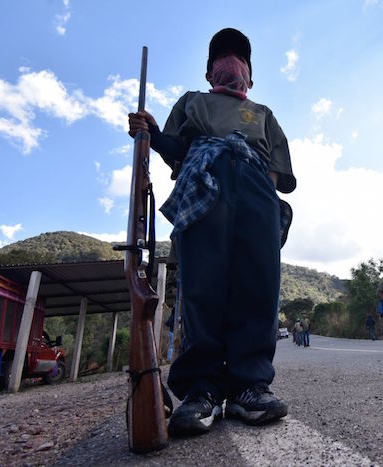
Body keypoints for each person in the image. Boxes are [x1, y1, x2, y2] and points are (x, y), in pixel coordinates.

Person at [128, 28, 296, 437]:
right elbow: (175, 147)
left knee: (257, 284)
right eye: (220, 59)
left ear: (250, 77)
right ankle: (202, 389)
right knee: (203, 285)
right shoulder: (192, 102)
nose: (230, 63)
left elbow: (278, 172)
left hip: (255, 186)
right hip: (204, 177)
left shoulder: (263, 113)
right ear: (209, 75)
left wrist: (257, 199)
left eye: (239, 59)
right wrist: (149, 131)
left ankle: (249, 387)